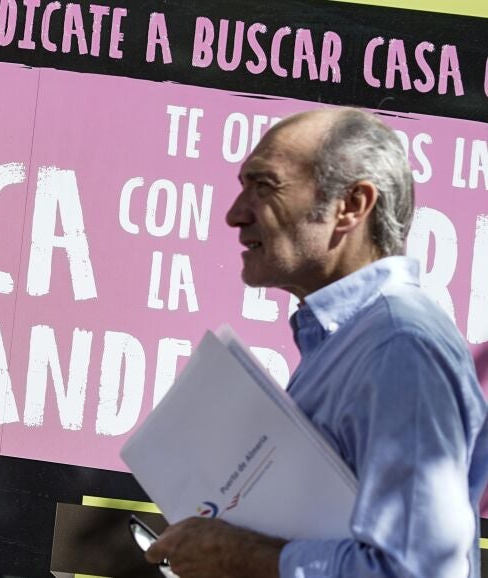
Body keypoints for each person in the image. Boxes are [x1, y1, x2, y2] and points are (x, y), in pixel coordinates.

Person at [144, 108, 488, 578]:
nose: (235, 214)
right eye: (243, 186)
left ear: (352, 205)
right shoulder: (358, 339)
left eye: (264, 186)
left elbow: (417, 571)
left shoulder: (399, 346)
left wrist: (238, 556)